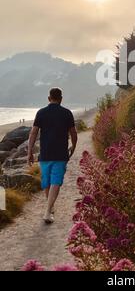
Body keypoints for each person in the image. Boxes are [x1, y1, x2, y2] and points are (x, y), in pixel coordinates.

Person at [27, 88, 78, 224]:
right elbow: (73, 133)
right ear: (61, 98)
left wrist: (29, 151)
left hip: (45, 153)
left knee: (47, 181)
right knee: (55, 182)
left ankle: (48, 210)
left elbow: (33, 133)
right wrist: (73, 146)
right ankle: (50, 208)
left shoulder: (41, 113)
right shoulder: (67, 113)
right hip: (61, 154)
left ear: (49, 98)